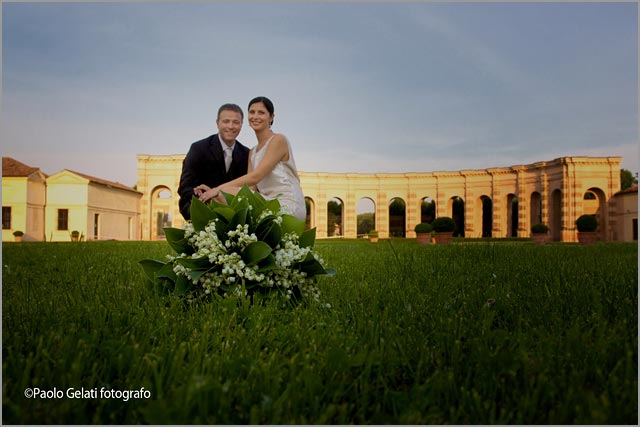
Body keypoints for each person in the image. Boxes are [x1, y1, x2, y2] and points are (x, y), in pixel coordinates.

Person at [195, 96, 306, 221]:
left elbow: (256, 176)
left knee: (220, 193)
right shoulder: (252, 152)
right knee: (220, 197)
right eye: (252, 112)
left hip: (287, 204)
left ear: (271, 117)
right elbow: (251, 189)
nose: (255, 116)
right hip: (266, 202)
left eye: (261, 112)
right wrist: (216, 194)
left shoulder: (278, 140)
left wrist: (217, 189)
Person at [177, 103, 250, 220]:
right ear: (217, 123)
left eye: (236, 122)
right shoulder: (198, 148)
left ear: (241, 125)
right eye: (226, 121)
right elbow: (185, 187)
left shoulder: (247, 154)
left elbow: (247, 188)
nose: (231, 126)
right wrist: (210, 197)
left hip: (233, 209)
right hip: (201, 205)